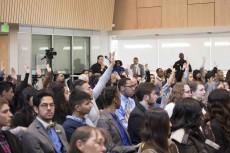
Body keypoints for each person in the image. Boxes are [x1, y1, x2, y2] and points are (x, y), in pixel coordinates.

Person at [97, 86, 137, 153]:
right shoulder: (103, 120)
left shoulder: (115, 116)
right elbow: (109, 148)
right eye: (119, 97)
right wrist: (133, 147)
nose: (121, 100)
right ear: (115, 100)